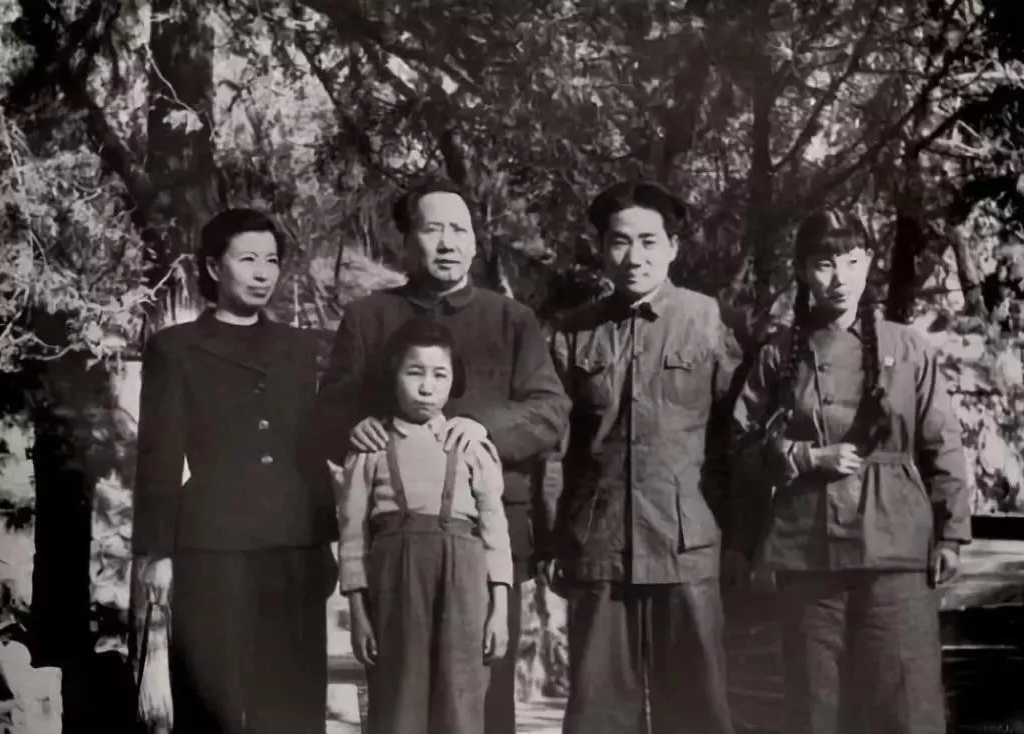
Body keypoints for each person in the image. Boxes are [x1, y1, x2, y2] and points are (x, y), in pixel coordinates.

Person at [312, 177, 570, 734]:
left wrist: (483, 429)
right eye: (433, 230)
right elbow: (329, 409)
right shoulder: (369, 317)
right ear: (406, 242)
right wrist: (355, 427)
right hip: (394, 546)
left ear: (475, 242)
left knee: (481, 703)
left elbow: (550, 410)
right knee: (398, 699)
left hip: (489, 535)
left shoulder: (512, 320)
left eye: (461, 230)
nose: (449, 242)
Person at [725, 209, 971, 734]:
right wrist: (803, 457)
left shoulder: (908, 347)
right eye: (824, 263)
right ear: (802, 270)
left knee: (903, 701)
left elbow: (942, 443)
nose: (841, 277)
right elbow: (740, 446)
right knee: (815, 707)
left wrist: (951, 533)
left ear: (870, 263)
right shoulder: (777, 354)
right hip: (808, 550)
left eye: (853, 261)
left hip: (895, 547)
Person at [544, 181, 742, 734]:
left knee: (699, 714)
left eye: (650, 241)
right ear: (601, 248)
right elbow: (555, 450)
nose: (635, 257)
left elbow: (736, 439)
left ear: (673, 247)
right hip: (599, 548)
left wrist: (737, 537)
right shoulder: (573, 334)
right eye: (620, 241)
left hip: (686, 547)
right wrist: (556, 540)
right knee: (598, 716)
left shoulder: (707, 320)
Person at [133, 208, 337, 734]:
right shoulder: (175, 349)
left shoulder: (301, 348)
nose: (262, 273)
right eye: (247, 259)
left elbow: (312, 451)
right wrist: (158, 552)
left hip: (294, 545)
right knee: (211, 704)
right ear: (212, 267)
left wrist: (327, 541)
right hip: (211, 548)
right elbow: (159, 454)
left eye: (271, 260)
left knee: (292, 706)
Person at [330, 317, 512, 734]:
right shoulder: (370, 447)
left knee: (461, 699)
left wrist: (499, 611)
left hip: (464, 584)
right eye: (415, 373)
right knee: (399, 701)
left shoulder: (471, 445)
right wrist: (358, 612)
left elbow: (495, 531)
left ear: (453, 380)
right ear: (393, 376)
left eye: (439, 374)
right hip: (394, 582)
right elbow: (352, 535)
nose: (427, 387)